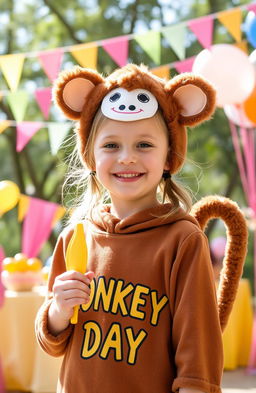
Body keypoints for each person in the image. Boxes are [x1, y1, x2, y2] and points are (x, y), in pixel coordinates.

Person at [35, 64, 224, 393]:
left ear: (169, 155)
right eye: (110, 146)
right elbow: (53, 342)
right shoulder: (74, 238)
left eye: (144, 145)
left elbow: (198, 359)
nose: (126, 158)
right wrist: (59, 310)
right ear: (91, 156)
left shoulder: (183, 240)